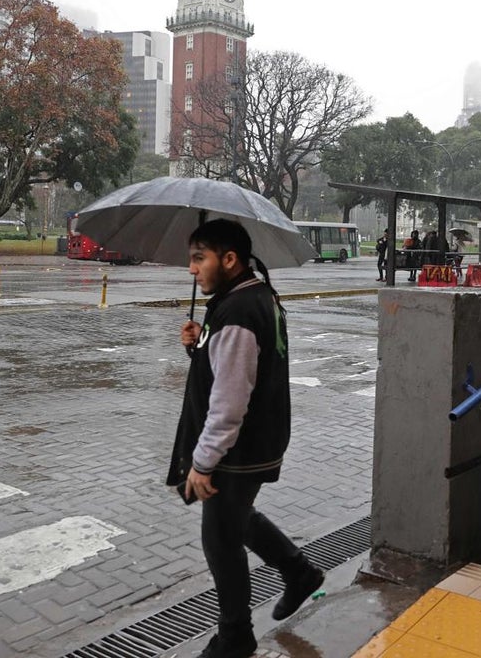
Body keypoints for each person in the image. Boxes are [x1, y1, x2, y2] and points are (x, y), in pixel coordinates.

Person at [167, 218, 324, 658]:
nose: (192, 270)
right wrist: (201, 344)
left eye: (200, 258)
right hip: (257, 443)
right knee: (237, 517)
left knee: (220, 537)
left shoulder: (236, 312)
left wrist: (202, 463)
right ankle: (299, 572)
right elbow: (234, 365)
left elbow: (230, 400)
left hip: (237, 449)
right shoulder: (254, 296)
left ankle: (235, 636)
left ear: (229, 259)